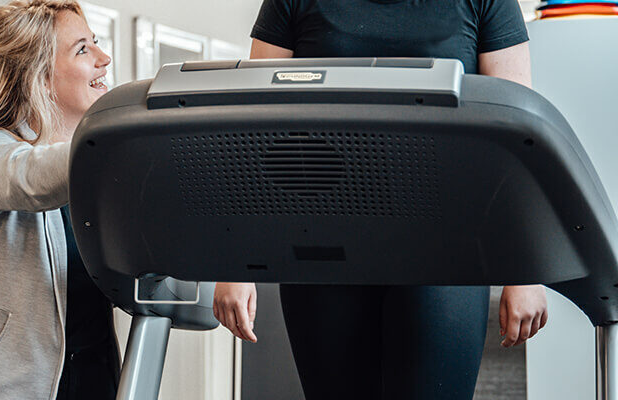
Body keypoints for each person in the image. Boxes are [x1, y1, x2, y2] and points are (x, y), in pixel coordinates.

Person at [213, 0, 549, 398]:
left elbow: (515, 135)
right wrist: (234, 261)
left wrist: (525, 268)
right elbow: (255, 125)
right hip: (323, 248)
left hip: (444, 249)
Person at [0, 1, 118, 399]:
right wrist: (127, 135)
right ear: (42, 77)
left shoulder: (95, 173)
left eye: (95, 43)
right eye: (83, 49)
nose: (105, 57)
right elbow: (30, 178)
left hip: (91, 382)